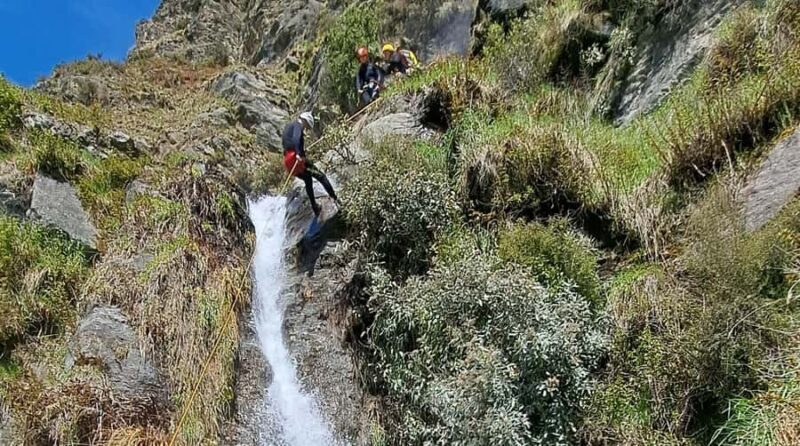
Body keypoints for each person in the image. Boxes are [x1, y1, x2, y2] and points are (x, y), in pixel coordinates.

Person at [282, 112, 339, 217]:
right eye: (307, 126)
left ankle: (315, 208)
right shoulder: (297, 125)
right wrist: (299, 153)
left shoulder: (288, 127)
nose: (305, 129)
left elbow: (289, 143)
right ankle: (335, 198)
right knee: (321, 176)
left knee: (308, 179)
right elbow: (296, 138)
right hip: (295, 158)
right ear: (305, 121)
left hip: (287, 160)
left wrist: (301, 151)